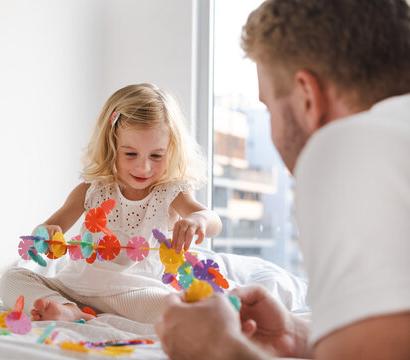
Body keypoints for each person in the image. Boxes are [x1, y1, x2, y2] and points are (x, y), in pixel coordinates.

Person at [155, 0, 410, 359]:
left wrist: (220, 349)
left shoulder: (346, 147)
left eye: (268, 107)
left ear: (308, 96)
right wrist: (298, 335)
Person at [0, 83, 222, 323]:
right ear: (111, 145)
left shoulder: (171, 192)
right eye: (130, 154)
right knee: (12, 279)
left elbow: (213, 221)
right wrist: (46, 234)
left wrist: (199, 220)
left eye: (156, 156)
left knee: (179, 309)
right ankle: (67, 309)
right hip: (77, 288)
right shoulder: (92, 190)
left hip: (136, 294)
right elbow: (43, 232)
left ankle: (74, 312)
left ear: (172, 150)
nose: (144, 167)